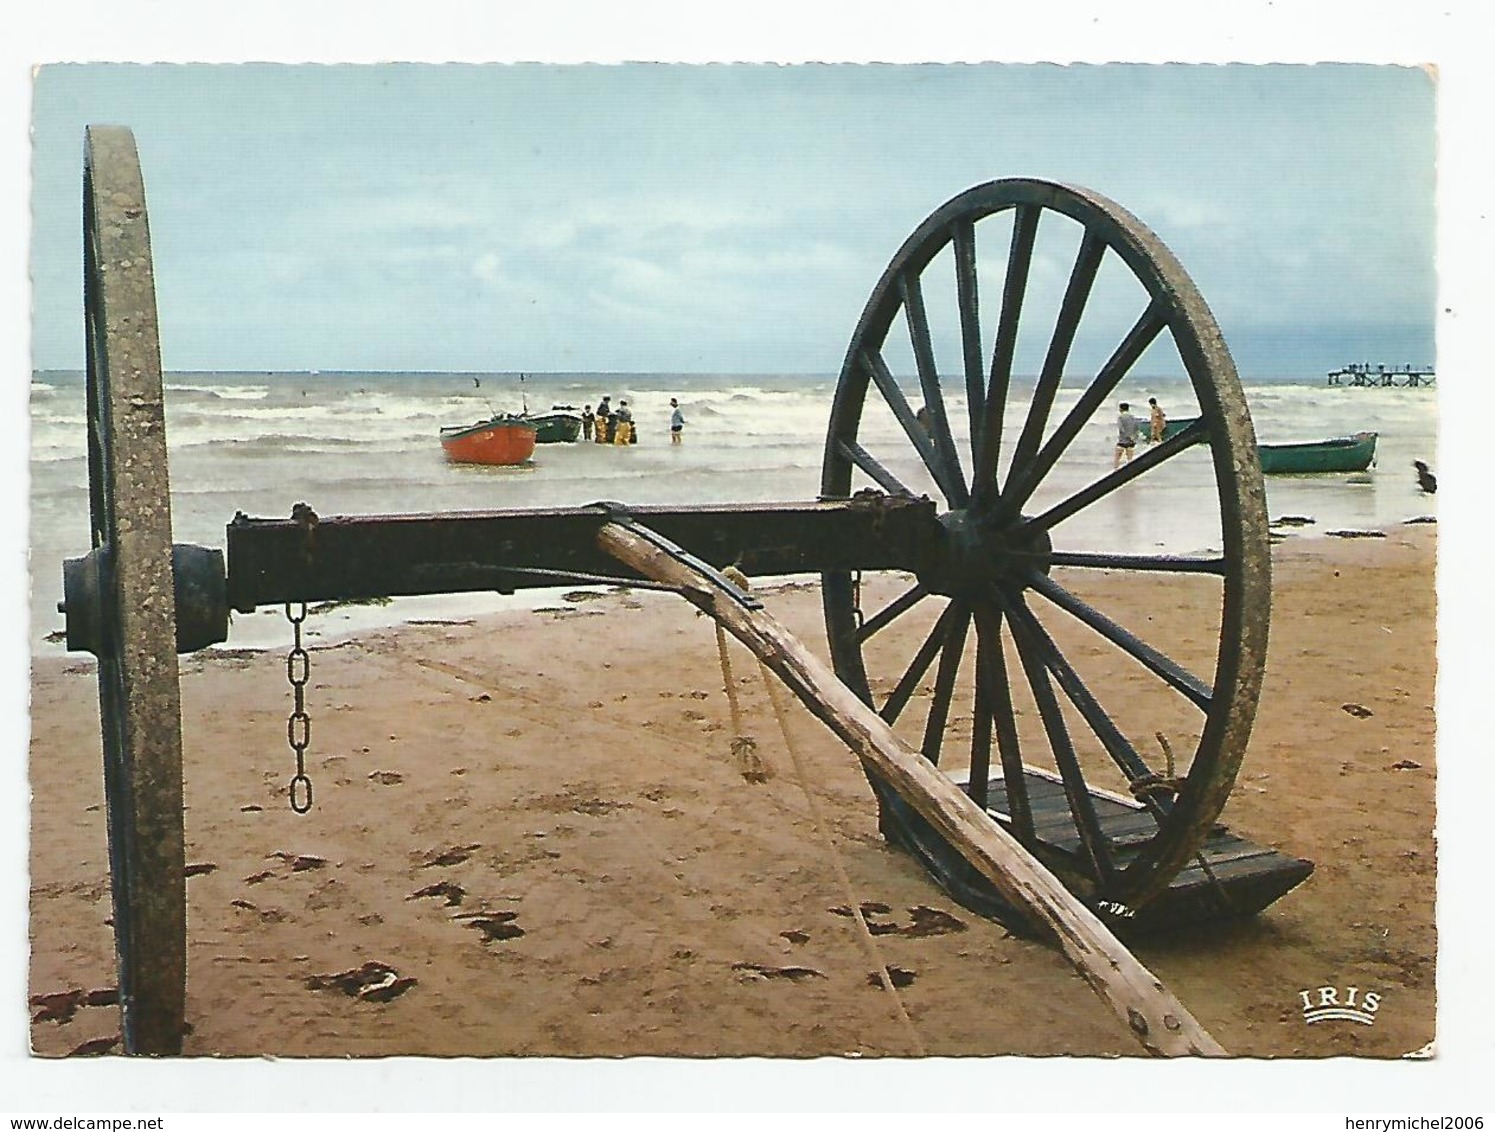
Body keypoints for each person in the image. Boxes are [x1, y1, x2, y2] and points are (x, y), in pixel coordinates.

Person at [1114, 402, 1141, 468]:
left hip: (1122, 441)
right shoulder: (1133, 417)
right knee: (1130, 460)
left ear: (1121, 409)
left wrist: (1127, 436)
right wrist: (1134, 437)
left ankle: (1115, 472)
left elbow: (1121, 429)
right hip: (1131, 441)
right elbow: (1136, 428)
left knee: (1117, 459)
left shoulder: (1120, 417)